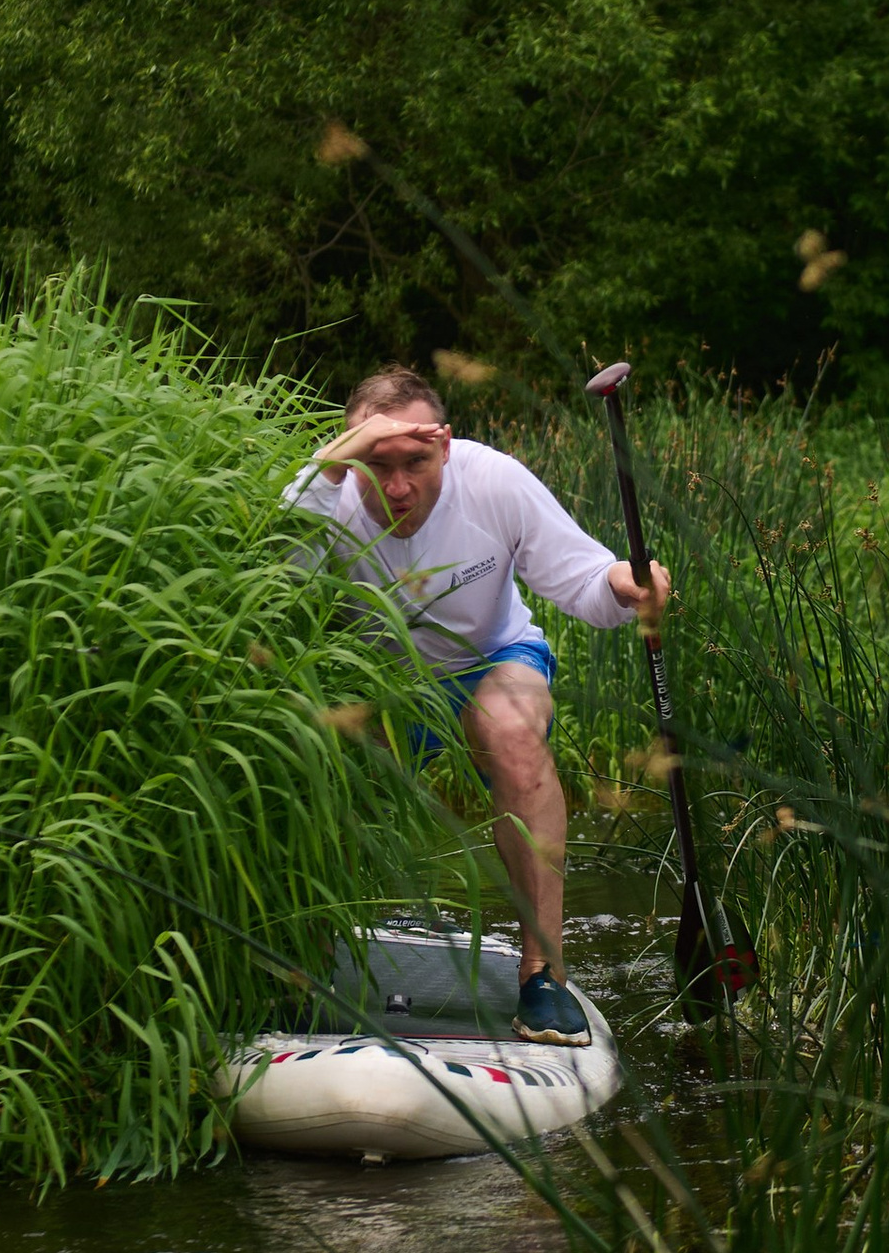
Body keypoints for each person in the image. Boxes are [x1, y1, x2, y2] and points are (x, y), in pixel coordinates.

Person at [284, 364, 671, 1047]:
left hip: (491, 660)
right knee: (309, 754)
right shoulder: (325, 496)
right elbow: (272, 570)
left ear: (445, 447)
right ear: (347, 454)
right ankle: (301, 963)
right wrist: (329, 467)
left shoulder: (493, 481)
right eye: (376, 464)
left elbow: (582, 578)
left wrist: (621, 581)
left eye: (415, 463)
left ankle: (542, 976)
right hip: (374, 683)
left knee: (513, 732)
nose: (397, 487)